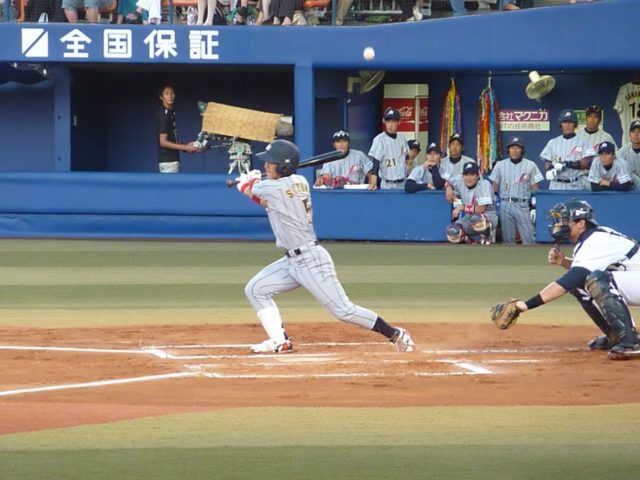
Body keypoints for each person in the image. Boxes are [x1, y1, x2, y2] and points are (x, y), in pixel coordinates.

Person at [234, 139, 415, 354]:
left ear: (283, 166)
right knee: (256, 289)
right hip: (292, 260)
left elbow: (252, 189)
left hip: (310, 260)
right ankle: (279, 340)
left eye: (270, 162)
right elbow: (264, 200)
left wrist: (247, 182)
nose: (265, 166)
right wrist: (252, 185)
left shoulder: (278, 186)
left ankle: (395, 334)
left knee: (343, 311)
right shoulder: (297, 181)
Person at [506, 200, 640, 360]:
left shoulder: (595, 242)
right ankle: (616, 336)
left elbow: (567, 281)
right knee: (581, 284)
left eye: (564, 220)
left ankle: (631, 342)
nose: (559, 225)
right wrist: (564, 262)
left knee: (597, 280)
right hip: (634, 280)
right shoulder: (592, 239)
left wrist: (526, 305)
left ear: (581, 223)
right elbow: (580, 275)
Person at [489, 136, 543, 245]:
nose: (514, 150)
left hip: (522, 204)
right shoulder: (500, 165)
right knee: (508, 240)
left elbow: (535, 188)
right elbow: (494, 188)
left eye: (517, 148)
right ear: (508, 150)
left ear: (522, 150)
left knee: (529, 239)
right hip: (505, 203)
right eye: (512, 148)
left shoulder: (530, 165)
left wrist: (534, 206)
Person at [444, 162, 498, 245]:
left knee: (477, 219)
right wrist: (448, 188)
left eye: (472, 175)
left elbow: (481, 209)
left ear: (478, 176)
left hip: (488, 216)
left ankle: (487, 236)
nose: (469, 178)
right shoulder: (460, 180)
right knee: (453, 231)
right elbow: (448, 181)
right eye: (466, 175)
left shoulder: (485, 184)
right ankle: (471, 241)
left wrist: (461, 207)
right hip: (469, 217)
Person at [541, 109, 593, 190]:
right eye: (565, 122)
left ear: (575, 124)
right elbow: (546, 163)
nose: (567, 125)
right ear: (561, 124)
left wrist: (566, 164)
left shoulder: (584, 142)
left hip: (576, 184)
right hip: (557, 184)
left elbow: (588, 162)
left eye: (570, 122)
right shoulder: (553, 142)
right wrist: (552, 166)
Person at [157, 85, 199, 173]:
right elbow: (163, 142)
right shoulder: (164, 114)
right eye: (167, 93)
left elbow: (172, 139)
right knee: (168, 187)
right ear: (161, 97)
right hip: (168, 162)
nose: (170, 96)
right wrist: (185, 147)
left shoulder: (171, 113)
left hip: (172, 160)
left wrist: (186, 147)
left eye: (172, 93)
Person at [368, 107, 409, 190]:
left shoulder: (402, 138)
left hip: (403, 183)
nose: (390, 125)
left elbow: (407, 158)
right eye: (388, 121)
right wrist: (373, 183)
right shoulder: (379, 139)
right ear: (384, 121)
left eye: (393, 122)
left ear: (398, 122)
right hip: (387, 184)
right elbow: (376, 163)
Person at [617, 120, 640, 190]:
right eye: (633, 132)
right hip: (629, 190)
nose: (636, 135)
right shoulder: (622, 152)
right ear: (629, 134)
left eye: (639, 132)